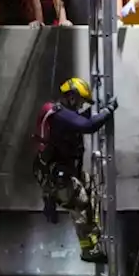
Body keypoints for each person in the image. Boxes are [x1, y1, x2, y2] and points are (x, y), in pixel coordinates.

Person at [33, 77, 119, 263]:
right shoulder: (59, 114)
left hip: (62, 172)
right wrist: (108, 110)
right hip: (57, 176)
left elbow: (79, 121)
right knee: (80, 203)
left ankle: (94, 237)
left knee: (90, 186)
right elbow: (87, 126)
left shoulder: (62, 115)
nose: (80, 106)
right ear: (71, 97)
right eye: (80, 101)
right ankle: (88, 251)